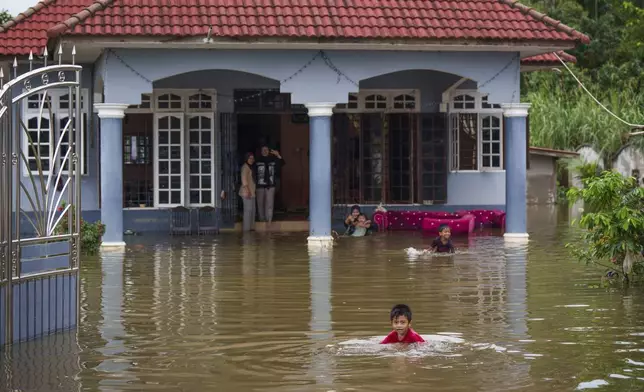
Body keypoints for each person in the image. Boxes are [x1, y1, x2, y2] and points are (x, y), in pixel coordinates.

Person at [255, 145, 285, 223]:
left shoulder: (273, 159)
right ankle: (262, 220)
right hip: (259, 186)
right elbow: (253, 173)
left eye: (266, 149)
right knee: (260, 204)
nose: (265, 151)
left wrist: (278, 155)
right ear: (261, 151)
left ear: (269, 151)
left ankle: (269, 221)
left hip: (271, 185)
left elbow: (282, 163)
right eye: (263, 149)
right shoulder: (257, 160)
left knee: (270, 204)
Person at [239, 152, 256, 232]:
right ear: (247, 159)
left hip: (251, 192)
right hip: (246, 192)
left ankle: (251, 228)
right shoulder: (245, 167)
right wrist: (248, 191)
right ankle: (246, 230)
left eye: (253, 158)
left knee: (252, 211)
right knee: (248, 211)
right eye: (250, 158)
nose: (252, 160)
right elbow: (244, 180)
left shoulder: (251, 167)